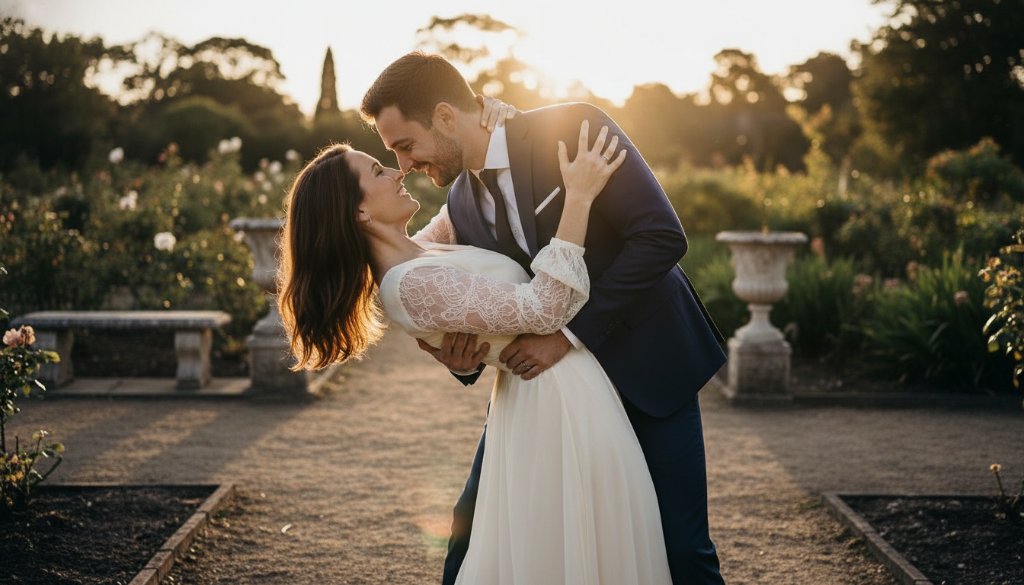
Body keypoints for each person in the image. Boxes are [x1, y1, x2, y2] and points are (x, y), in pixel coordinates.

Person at [361, 52, 727, 585]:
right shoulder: (460, 203)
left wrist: (567, 336)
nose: (404, 164)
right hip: (547, 396)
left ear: (444, 116)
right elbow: (472, 294)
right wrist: (464, 359)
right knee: (468, 533)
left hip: (647, 366)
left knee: (682, 547)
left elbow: (660, 236)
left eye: (405, 145)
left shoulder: (574, 129)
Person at [278, 120, 673, 583]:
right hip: (555, 401)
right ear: (360, 212)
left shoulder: (421, 249)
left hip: (563, 391)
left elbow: (475, 183)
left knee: (596, 540)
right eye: (379, 171)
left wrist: (494, 119)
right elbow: (544, 308)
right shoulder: (410, 285)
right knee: (575, 547)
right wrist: (580, 197)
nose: (398, 171)